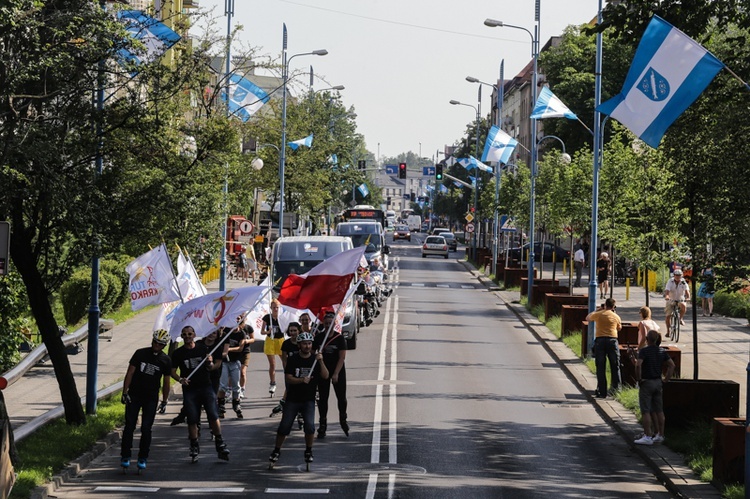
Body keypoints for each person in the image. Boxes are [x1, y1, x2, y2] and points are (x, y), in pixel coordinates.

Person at [269, 332, 329, 468]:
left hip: (308, 399)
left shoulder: (315, 360)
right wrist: (302, 380)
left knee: (309, 426)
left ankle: (308, 450)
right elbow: (288, 377)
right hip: (293, 399)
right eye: (304, 344)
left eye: (309, 343)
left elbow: (325, 376)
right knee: (284, 426)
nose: (307, 346)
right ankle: (276, 450)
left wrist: (321, 360)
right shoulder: (294, 359)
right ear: (299, 345)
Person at [171, 326, 230, 462]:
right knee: (192, 419)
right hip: (190, 390)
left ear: (194, 335)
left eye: (190, 334)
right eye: (184, 334)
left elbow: (213, 366)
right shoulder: (178, 353)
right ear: (182, 336)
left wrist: (209, 363)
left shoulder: (203, 349)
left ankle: (220, 442)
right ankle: (194, 445)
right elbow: (172, 371)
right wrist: (180, 379)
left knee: (213, 415)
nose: (187, 336)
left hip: (205, 387)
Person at [120, 330, 172, 471]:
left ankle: (143, 457)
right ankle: (125, 455)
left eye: (160, 344)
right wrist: (125, 392)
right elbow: (130, 372)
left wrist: (164, 400)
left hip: (151, 397)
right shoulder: (140, 353)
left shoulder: (165, 360)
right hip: (135, 394)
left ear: (164, 345)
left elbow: (166, 382)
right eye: (155, 342)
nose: (156, 345)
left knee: (146, 428)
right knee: (130, 425)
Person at [634, 330, 675, 445]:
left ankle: (647, 435)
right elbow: (672, 365)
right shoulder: (662, 351)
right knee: (659, 410)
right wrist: (666, 379)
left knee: (645, 410)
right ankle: (660, 435)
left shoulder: (644, 351)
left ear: (647, 339)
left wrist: (639, 379)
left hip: (647, 382)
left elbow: (638, 365)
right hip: (658, 382)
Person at [314, 311, 349, 438]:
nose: (328, 325)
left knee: (341, 397)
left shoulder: (339, 339)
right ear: (323, 324)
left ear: (335, 324)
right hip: (323, 371)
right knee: (323, 399)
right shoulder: (318, 338)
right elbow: (313, 352)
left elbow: (342, 357)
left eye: (330, 323)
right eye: (326, 323)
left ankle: (343, 419)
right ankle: (322, 424)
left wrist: (335, 374)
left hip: (337, 371)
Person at [586, 298, 622, 398]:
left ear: (605, 305)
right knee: (615, 365)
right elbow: (619, 328)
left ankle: (602, 391)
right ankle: (616, 389)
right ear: (614, 306)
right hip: (612, 341)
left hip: (600, 341)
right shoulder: (616, 316)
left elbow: (588, 318)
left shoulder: (599, 314)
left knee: (600, 366)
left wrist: (597, 310)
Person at [216, 316, 251, 419]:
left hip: (235, 362)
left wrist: (228, 350)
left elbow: (240, 349)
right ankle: (221, 406)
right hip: (224, 362)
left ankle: (236, 404)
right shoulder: (226, 331)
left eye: (238, 321)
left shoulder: (242, 334)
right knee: (223, 385)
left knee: (236, 385)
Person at [271, 322, 302, 416]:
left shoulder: (302, 342)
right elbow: (284, 359)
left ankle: (300, 411)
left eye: (295, 330)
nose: (293, 333)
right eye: (291, 330)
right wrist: (287, 371)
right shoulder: (286, 343)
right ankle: (287, 408)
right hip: (291, 372)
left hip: (302, 371)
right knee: (290, 389)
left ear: (299, 331)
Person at [261, 299, 285, 396]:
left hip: (280, 340)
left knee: (285, 362)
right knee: (272, 364)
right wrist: (268, 331)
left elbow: (287, 329)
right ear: (271, 308)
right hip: (270, 340)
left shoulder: (282, 318)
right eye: (274, 307)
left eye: (277, 307)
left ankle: (288, 381)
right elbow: (262, 331)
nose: (276, 309)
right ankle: (272, 383)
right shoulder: (267, 317)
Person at [664, 268, 690, 336]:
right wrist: (667, 296)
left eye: (679, 275)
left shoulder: (683, 282)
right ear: (674, 275)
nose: (678, 277)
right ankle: (668, 331)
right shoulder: (670, 281)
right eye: (676, 275)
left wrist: (688, 297)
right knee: (668, 316)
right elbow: (667, 290)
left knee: (683, 306)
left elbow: (687, 291)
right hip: (671, 299)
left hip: (680, 298)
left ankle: (680, 318)